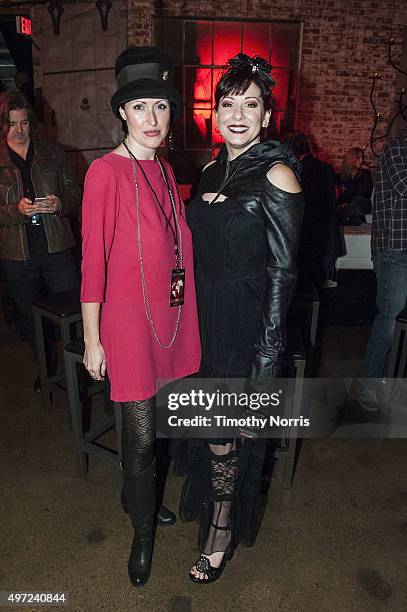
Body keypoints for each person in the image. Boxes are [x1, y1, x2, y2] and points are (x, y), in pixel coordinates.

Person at [80, 47, 201, 587]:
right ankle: (143, 532)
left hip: (171, 322)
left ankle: (141, 497)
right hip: (128, 328)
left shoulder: (167, 172)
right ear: (121, 114)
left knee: (162, 425)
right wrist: (92, 339)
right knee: (142, 433)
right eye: (140, 108)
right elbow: (92, 262)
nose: (153, 120)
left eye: (162, 107)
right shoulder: (104, 174)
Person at [181, 53, 304, 584]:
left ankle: (223, 529)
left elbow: (283, 277)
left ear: (267, 116)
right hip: (202, 320)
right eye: (226, 103)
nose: (236, 114)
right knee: (209, 427)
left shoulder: (277, 172)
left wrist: (264, 367)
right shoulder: (210, 168)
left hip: (245, 323)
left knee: (225, 429)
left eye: (249, 104)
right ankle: (215, 508)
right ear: (214, 112)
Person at [0, 91, 80, 388]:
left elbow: (74, 196)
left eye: (24, 123)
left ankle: (81, 369)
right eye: (12, 124)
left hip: (56, 246)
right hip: (16, 255)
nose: (19, 131)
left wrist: (61, 205)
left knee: (76, 310)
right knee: (30, 317)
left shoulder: (54, 153)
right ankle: (46, 368)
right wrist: (15, 210)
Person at [358, 125, 407, 409]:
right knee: (389, 321)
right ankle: (368, 386)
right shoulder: (399, 146)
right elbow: (403, 186)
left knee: (398, 325)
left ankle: (389, 382)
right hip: (394, 249)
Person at [282, 130, 340, 288]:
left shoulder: (293, 169)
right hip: (323, 233)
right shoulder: (325, 168)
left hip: (301, 234)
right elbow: (332, 201)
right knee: (315, 285)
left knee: (301, 286)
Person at [337, 147, 373, 225]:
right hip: (350, 206)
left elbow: (364, 193)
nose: (362, 160)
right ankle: (354, 218)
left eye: (362, 158)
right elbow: (339, 196)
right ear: (351, 159)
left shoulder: (365, 174)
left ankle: (345, 216)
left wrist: (347, 202)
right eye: (358, 157)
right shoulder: (339, 176)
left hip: (362, 204)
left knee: (357, 202)